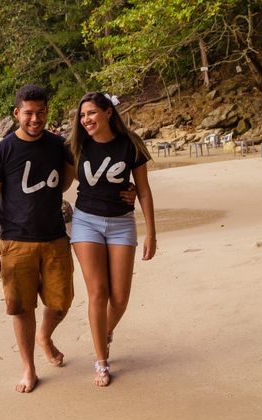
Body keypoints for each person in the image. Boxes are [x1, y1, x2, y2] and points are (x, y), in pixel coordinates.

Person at [0, 84, 75, 393]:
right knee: (22, 308)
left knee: (61, 302)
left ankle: (44, 336)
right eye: (29, 113)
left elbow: (65, 182)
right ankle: (29, 368)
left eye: (41, 113)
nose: (35, 119)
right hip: (15, 241)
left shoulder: (58, 146)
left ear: (47, 113)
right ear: (17, 113)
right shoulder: (2, 151)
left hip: (54, 239)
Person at [69, 92, 157, 387]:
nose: (86, 120)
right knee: (98, 292)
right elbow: (57, 176)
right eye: (82, 116)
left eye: (91, 113)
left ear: (108, 112)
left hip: (122, 224)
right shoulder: (77, 146)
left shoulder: (130, 144)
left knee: (119, 298)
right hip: (86, 222)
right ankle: (101, 361)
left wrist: (152, 233)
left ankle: (103, 332)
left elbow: (143, 190)